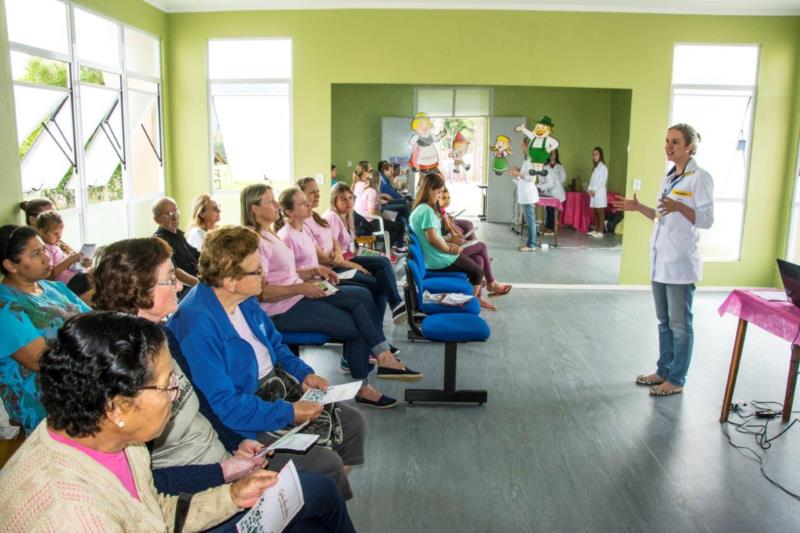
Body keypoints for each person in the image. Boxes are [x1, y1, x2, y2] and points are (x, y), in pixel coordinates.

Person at [92, 239, 354, 531]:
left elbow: (204, 405)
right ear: (138, 290)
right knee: (321, 491)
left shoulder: (163, 337)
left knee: (322, 495)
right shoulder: (124, 370)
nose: (180, 286)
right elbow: (147, 480)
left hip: (222, 457)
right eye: (170, 279)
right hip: (198, 492)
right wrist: (223, 472)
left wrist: (236, 444)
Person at [0, 311, 289, 531]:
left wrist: (232, 497)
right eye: (166, 385)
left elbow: (150, 513)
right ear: (118, 407)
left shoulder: (120, 441)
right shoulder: (74, 515)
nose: (177, 394)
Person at [167, 225, 370, 499]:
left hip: (278, 388)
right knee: (326, 464)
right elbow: (225, 407)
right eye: (256, 269)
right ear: (230, 280)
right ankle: (317, 499)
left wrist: (303, 373)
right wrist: (289, 412)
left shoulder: (245, 299)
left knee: (354, 424)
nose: (264, 273)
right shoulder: (197, 326)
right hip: (247, 418)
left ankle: (319, 498)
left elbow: (275, 345)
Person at [241, 185, 421, 389]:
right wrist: (301, 288)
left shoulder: (270, 235)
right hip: (282, 310)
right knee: (360, 324)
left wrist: (313, 270)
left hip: (297, 294)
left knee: (363, 296)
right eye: (270, 201)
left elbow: (283, 275)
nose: (276, 205)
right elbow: (260, 291)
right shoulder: (256, 241)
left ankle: (382, 360)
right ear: (254, 208)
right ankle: (368, 382)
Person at [612, 124, 714, 396]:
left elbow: (706, 220)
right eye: (667, 141)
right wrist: (637, 208)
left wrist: (681, 206)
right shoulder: (668, 177)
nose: (669, 146)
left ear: (690, 147)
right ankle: (662, 371)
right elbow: (661, 216)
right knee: (664, 322)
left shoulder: (700, 178)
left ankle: (677, 379)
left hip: (681, 263)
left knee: (681, 326)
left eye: (676, 142)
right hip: (660, 260)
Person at [0, 225, 91, 433]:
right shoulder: (5, 308)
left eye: (43, 250)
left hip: (84, 387)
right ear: (10, 265)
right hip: (48, 408)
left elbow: (94, 324)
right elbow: (41, 360)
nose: (46, 258)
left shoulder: (54, 288)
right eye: (36, 254)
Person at [297, 177, 407, 324]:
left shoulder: (322, 217)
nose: (317, 195)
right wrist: (355, 265)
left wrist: (358, 254)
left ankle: (390, 312)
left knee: (382, 263)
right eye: (312, 192)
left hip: (343, 259)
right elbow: (325, 257)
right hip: (333, 268)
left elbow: (336, 242)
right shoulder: (327, 218)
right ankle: (385, 318)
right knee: (379, 280)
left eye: (350, 198)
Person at [410, 173, 494, 310]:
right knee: (478, 272)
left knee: (478, 259)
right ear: (430, 190)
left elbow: (434, 237)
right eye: (438, 192)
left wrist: (450, 243)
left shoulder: (420, 209)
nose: (439, 196)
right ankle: (467, 303)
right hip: (438, 259)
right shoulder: (426, 211)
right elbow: (432, 240)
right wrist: (450, 249)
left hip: (434, 256)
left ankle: (476, 297)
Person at [438, 187, 511, 300]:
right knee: (482, 246)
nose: (447, 200)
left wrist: (454, 232)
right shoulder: (432, 214)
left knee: (479, 259)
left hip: (449, 246)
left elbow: (449, 230)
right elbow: (436, 238)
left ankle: (479, 297)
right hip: (445, 251)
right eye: (443, 197)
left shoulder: (441, 212)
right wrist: (451, 238)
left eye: (448, 197)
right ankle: (491, 283)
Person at [35, 211, 92, 301]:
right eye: (55, 233)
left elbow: (69, 268)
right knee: (92, 278)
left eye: (61, 233)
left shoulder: (57, 246)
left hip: (74, 278)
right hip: (65, 285)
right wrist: (70, 260)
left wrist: (81, 263)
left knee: (95, 274)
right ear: (41, 231)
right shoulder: (45, 249)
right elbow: (49, 275)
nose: (59, 237)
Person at [152, 197, 199, 291]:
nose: (174, 217)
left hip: (194, 284)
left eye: (176, 211)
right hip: (182, 290)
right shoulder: (158, 241)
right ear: (157, 220)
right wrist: (199, 284)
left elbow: (196, 255)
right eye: (168, 214)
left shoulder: (179, 234)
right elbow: (174, 271)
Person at [355, 169, 406, 251]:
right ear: (378, 180)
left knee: (398, 218)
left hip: (368, 219)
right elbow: (372, 212)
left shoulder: (367, 189)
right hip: (372, 222)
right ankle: (385, 249)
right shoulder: (372, 192)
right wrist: (383, 216)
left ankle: (396, 246)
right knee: (399, 226)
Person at [510, 138, 540, 251]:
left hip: (528, 195)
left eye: (522, 145)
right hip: (525, 195)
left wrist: (517, 173)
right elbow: (525, 173)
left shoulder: (532, 160)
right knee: (529, 220)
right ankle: (531, 243)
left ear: (528, 146)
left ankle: (531, 245)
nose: (521, 147)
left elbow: (531, 178)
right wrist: (518, 170)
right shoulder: (528, 160)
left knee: (530, 221)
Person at [539, 149, 567, 231]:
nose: (552, 155)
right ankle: (549, 227)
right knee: (549, 210)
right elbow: (542, 179)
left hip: (558, 191)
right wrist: (543, 186)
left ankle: (553, 228)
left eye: (554, 153)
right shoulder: (545, 166)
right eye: (550, 153)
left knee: (556, 212)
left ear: (556, 155)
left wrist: (556, 182)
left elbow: (563, 178)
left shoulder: (560, 166)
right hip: (548, 192)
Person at [587, 146, 609, 238]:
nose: (594, 156)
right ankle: (596, 229)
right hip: (593, 193)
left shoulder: (603, 167)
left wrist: (594, 190)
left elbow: (601, 181)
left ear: (600, 155)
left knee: (600, 211)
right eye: (593, 154)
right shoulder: (595, 168)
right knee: (595, 211)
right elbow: (592, 181)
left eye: (596, 154)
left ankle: (601, 231)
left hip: (599, 193)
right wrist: (589, 190)